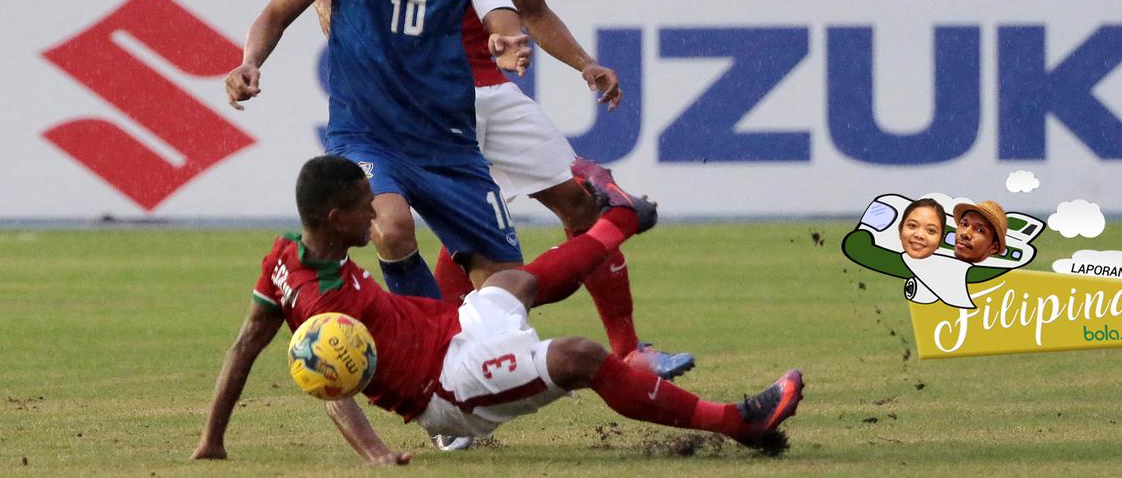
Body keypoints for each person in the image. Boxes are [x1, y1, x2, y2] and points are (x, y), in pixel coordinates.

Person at [314, 0, 692, 381]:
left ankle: (628, 349)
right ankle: (443, 367)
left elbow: (532, 9)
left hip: (488, 88)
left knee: (580, 204)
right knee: (424, 229)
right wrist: (350, 39)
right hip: (416, 102)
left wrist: (584, 63)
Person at [190, 155, 803, 465]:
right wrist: (373, 453)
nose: (375, 217)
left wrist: (212, 439)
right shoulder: (323, 306)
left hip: (446, 329)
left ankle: (619, 220)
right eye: (363, 209)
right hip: (446, 387)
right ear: (334, 219)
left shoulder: (284, 256)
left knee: (510, 281)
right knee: (580, 356)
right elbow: (331, 383)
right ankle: (738, 423)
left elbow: (245, 345)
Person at [225, 0, 535, 300]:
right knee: (390, 227)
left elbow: (499, 9)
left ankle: (474, 358)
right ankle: (428, 346)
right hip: (367, 136)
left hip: (449, 142)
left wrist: (507, 37)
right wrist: (250, 60)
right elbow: (275, 14)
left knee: (509, 282)